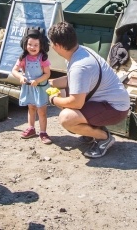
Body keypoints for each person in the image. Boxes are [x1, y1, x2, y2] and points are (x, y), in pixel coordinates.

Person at [47, 21, 129, 158]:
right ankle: (90, 131)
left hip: (116, 109)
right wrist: (51, 83)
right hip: (108, 102)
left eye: (51, 43)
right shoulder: (78, 52)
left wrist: (53, 100)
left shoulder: (79, 66)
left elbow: (76, 103)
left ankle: (104, 138)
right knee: (63, 93)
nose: (51, 46)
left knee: (66, 118)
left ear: (58, 46)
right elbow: (75, 80)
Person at [12, 28, 52, 144]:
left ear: (41, 46)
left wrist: (38, 80)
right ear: (25, 44)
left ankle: (43, 132)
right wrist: (20, 77)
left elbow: (47, 73)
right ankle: (31, 128)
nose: (32, 47)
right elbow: (14, 70)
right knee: (31, 108)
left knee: (42, 111)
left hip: (40, 88)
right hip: (29, 88)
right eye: (29, 44)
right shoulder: (23, 58)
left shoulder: (43, 58)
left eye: (36, 45)